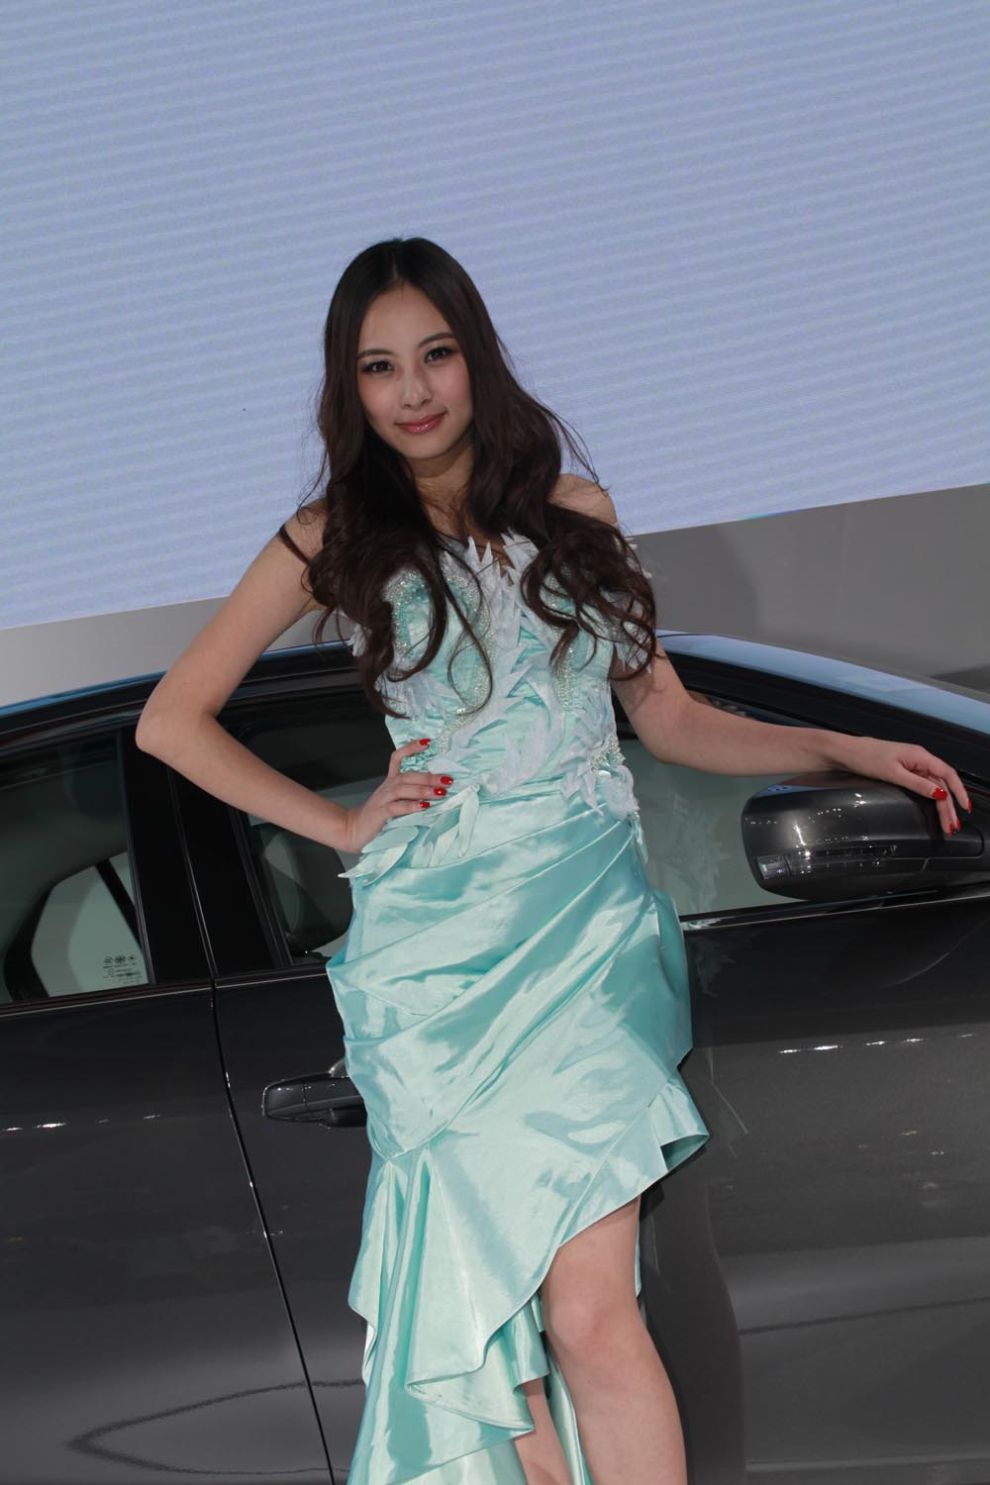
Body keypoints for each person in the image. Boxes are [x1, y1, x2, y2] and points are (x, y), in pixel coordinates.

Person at [136, 236, 970, 1485]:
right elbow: (171, 721)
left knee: (589, 1313)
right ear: (348, 387)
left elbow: (668, 719)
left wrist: (839, 743)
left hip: (587, 936)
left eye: (435, 355)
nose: (413, 391)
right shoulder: (330, 535)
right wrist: (345, 826)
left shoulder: (574, 514)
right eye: (379, 367)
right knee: (496, 1343)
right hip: (438, 962)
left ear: (475, 359)